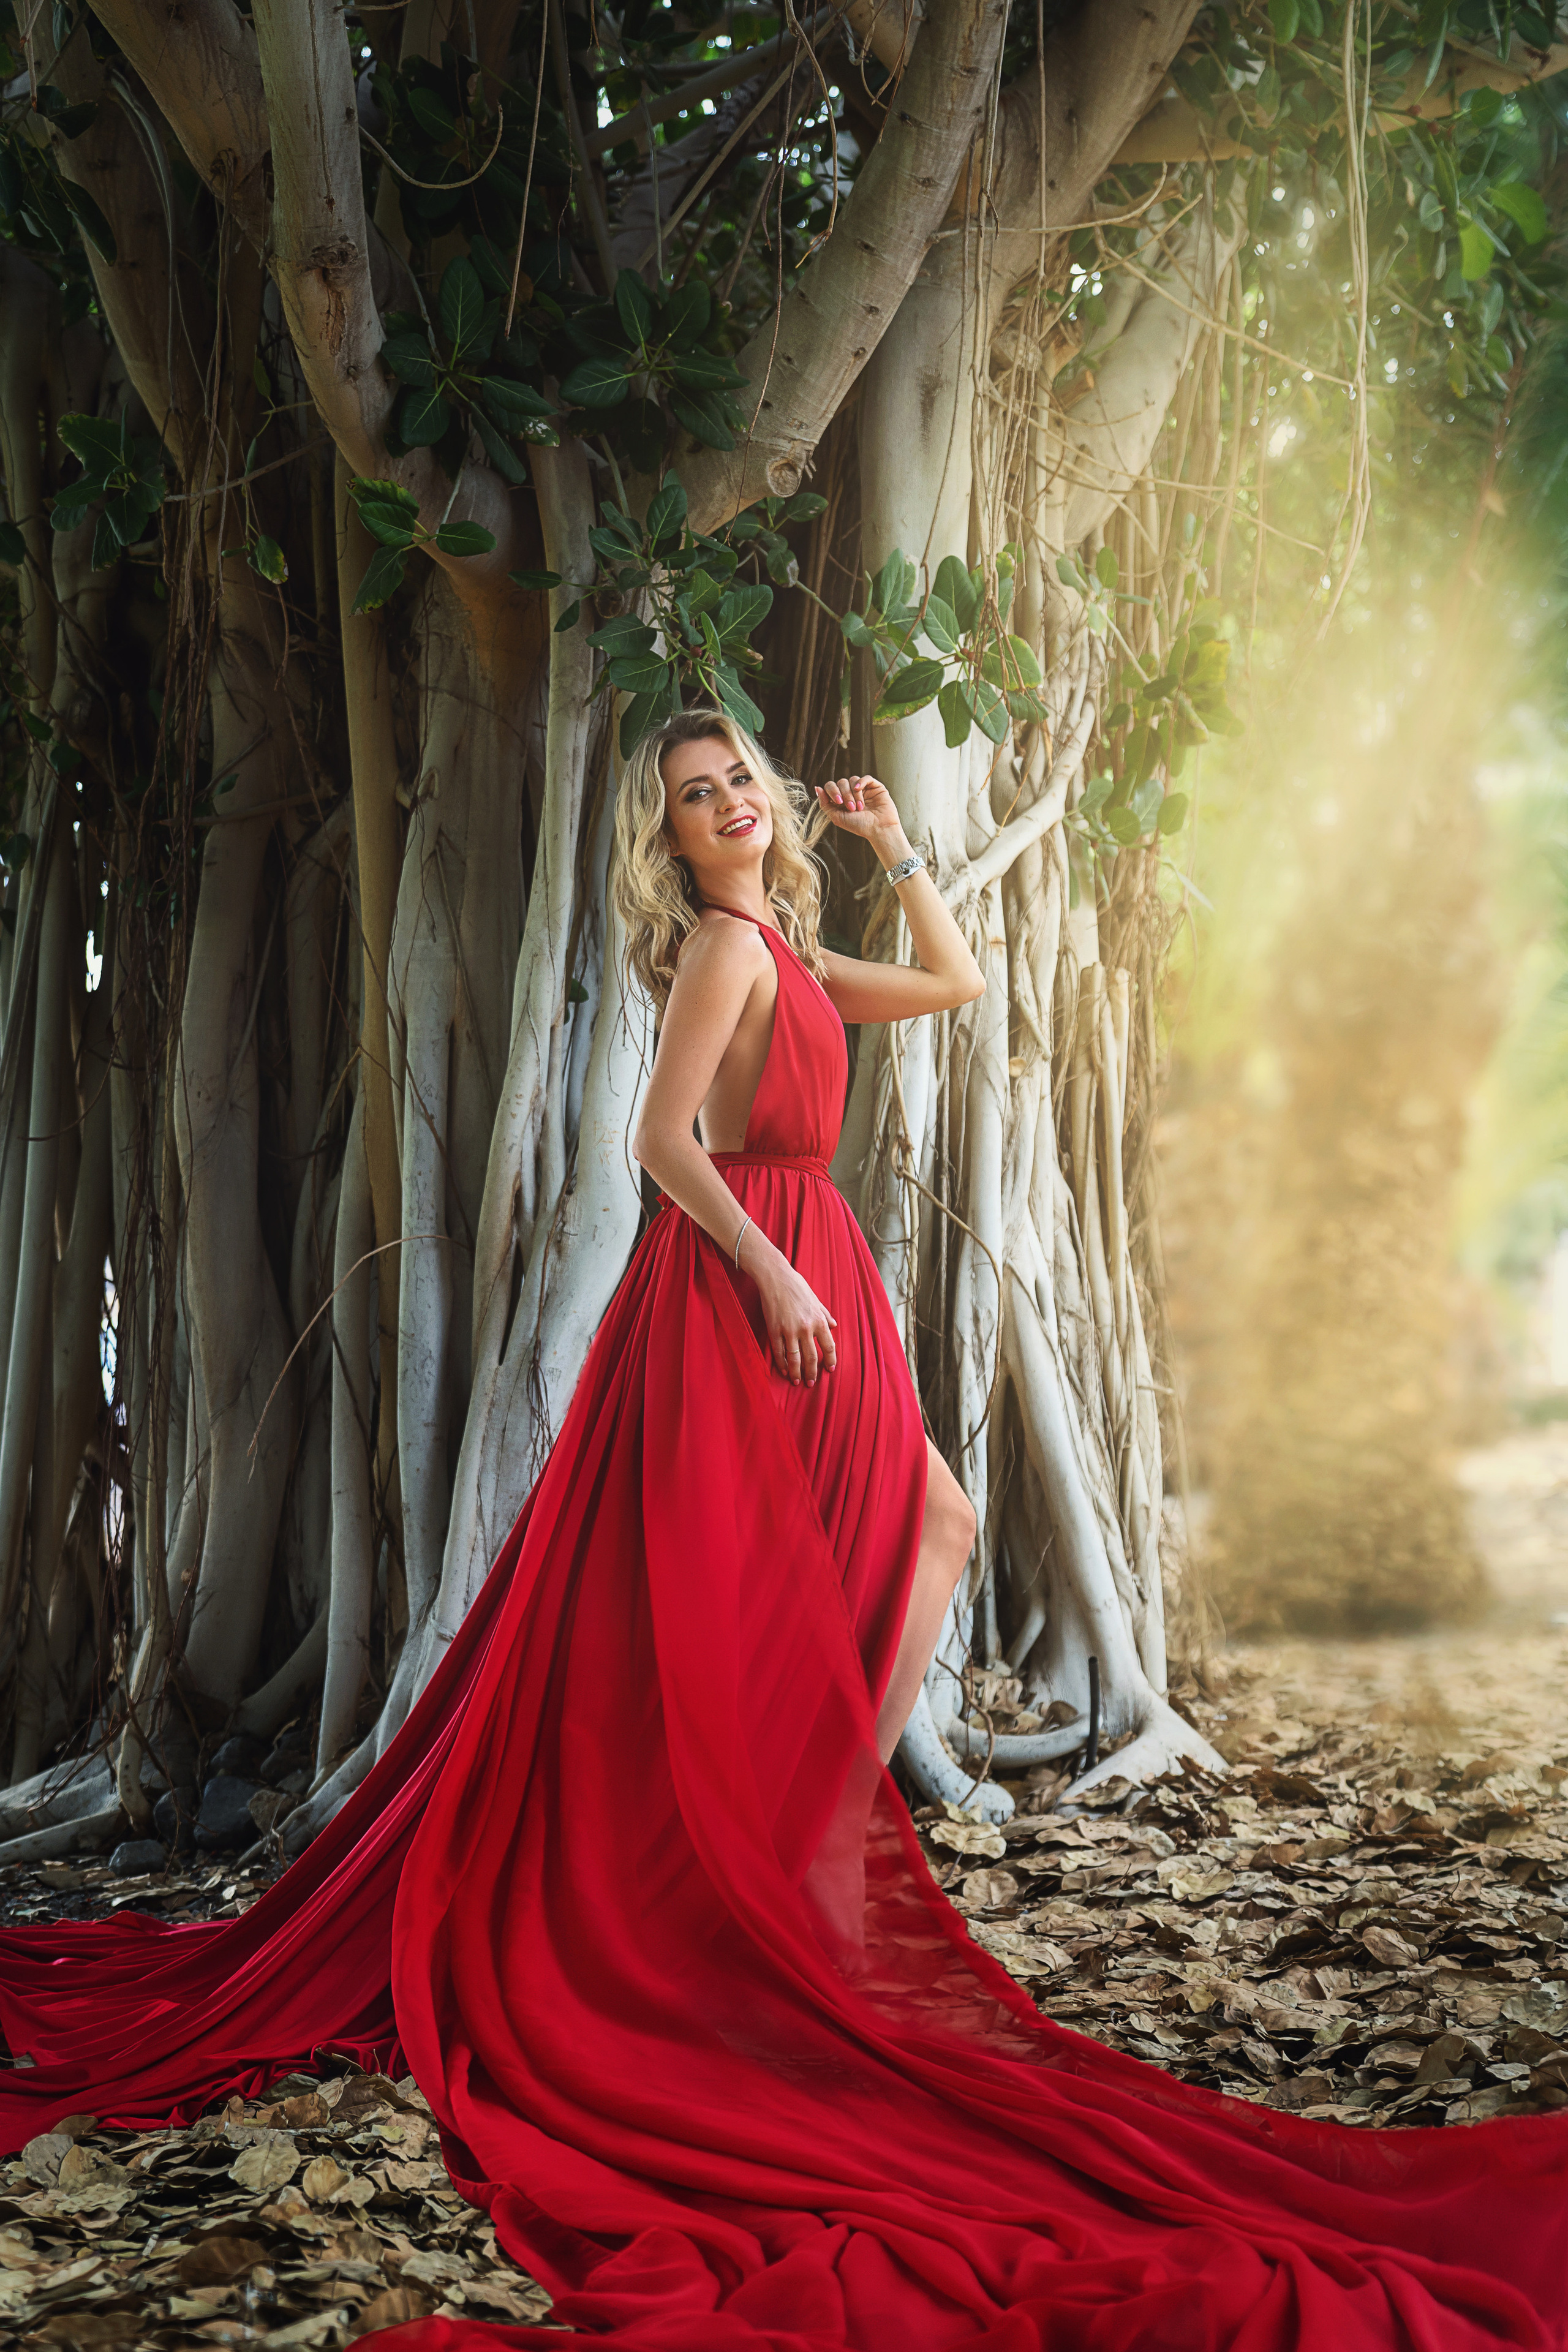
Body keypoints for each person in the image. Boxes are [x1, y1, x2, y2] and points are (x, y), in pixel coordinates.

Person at [1, 712, 1566, 2352]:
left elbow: (957, 985)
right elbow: (659, 1146)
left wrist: (895, 846)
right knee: (787, 1573)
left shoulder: (787, 948)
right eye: (698, 795)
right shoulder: (718, 958)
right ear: (668, 838)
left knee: (911, 1537)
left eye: (741, 775)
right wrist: (777, 1273)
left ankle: (799, 1838)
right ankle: (789, 1858)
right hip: (751, 1299)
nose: (732, 801)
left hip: (812, 1287)